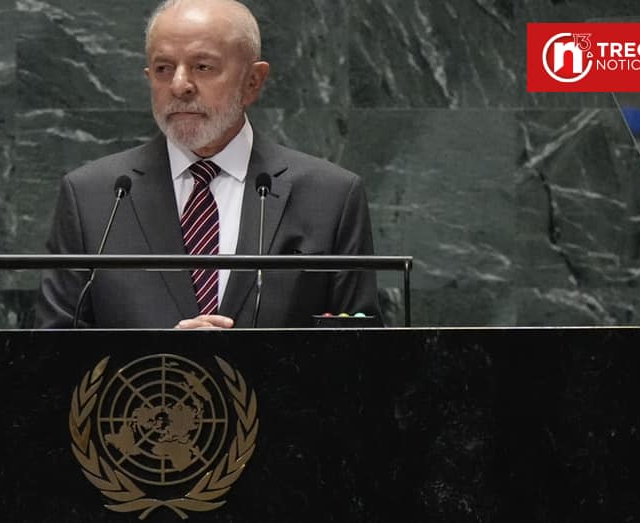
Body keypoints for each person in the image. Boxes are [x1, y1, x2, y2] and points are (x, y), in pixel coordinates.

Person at [34, 0, 381, 329]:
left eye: (202, 67)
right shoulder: (93, 197)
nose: (179, 85)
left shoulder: (330, 198)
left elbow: (362, 352)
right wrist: (163, 354)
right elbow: (53, 351)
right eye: (163, 69)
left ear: (253, 81)